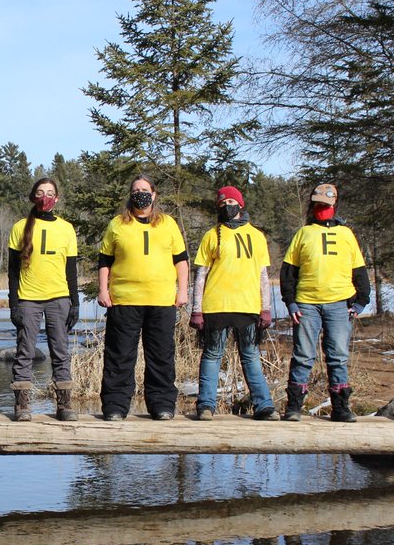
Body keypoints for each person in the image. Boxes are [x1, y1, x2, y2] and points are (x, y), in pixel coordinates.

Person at [97, 176, 189, 421]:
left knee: (161, 355)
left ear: (154, 194)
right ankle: (115, 406)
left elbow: (181, 260)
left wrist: (183, 291)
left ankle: (162, 405)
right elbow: (105, 261)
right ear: (130, 194)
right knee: (120, 355)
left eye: (145, 190)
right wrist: (103, 290)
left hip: (161, 300)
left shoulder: (168, 224)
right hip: (124, 300)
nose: (141, 193)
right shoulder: (117, 224)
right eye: (136, 190)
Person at [280, 183, 371, 422]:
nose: (322, 208)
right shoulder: (304, 233)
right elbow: (288, 272)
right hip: (307, 304)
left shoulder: (346, 234)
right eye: (318, 204)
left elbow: (359, 270)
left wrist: (361, 301)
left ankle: (340, 407)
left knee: (338, 356)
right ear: (312, 205)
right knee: (303, 355)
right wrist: (290, 302)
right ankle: (294, 406)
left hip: (340, 304)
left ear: (334, 205)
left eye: (327, 205)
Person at [190, 186, 278, 421]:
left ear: (240, 203)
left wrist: (266, 308)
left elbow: (262, 275)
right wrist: (197, 309)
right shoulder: (211, 235)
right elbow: (201, 275)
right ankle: (206, 405)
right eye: (222, 202)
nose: (226, 205)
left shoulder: (257, 236)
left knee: (250, 356)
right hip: (216, 305)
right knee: (212, 354)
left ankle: (264, 405)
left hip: (247, 306)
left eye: (230, 201)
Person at [8, 178, 80, 422]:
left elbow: (72, 270)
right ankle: (22, 406)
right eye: (40, 192)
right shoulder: (20, 227)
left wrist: (75, 302)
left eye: (50, 193)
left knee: (60, 352)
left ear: (57, 199)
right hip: (28, 299)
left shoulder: (66, 229)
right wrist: (14, 304)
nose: (45, 196)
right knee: (25, 351)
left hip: (59, 299)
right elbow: (13, 272)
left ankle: (64, 405)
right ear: (33, 197)